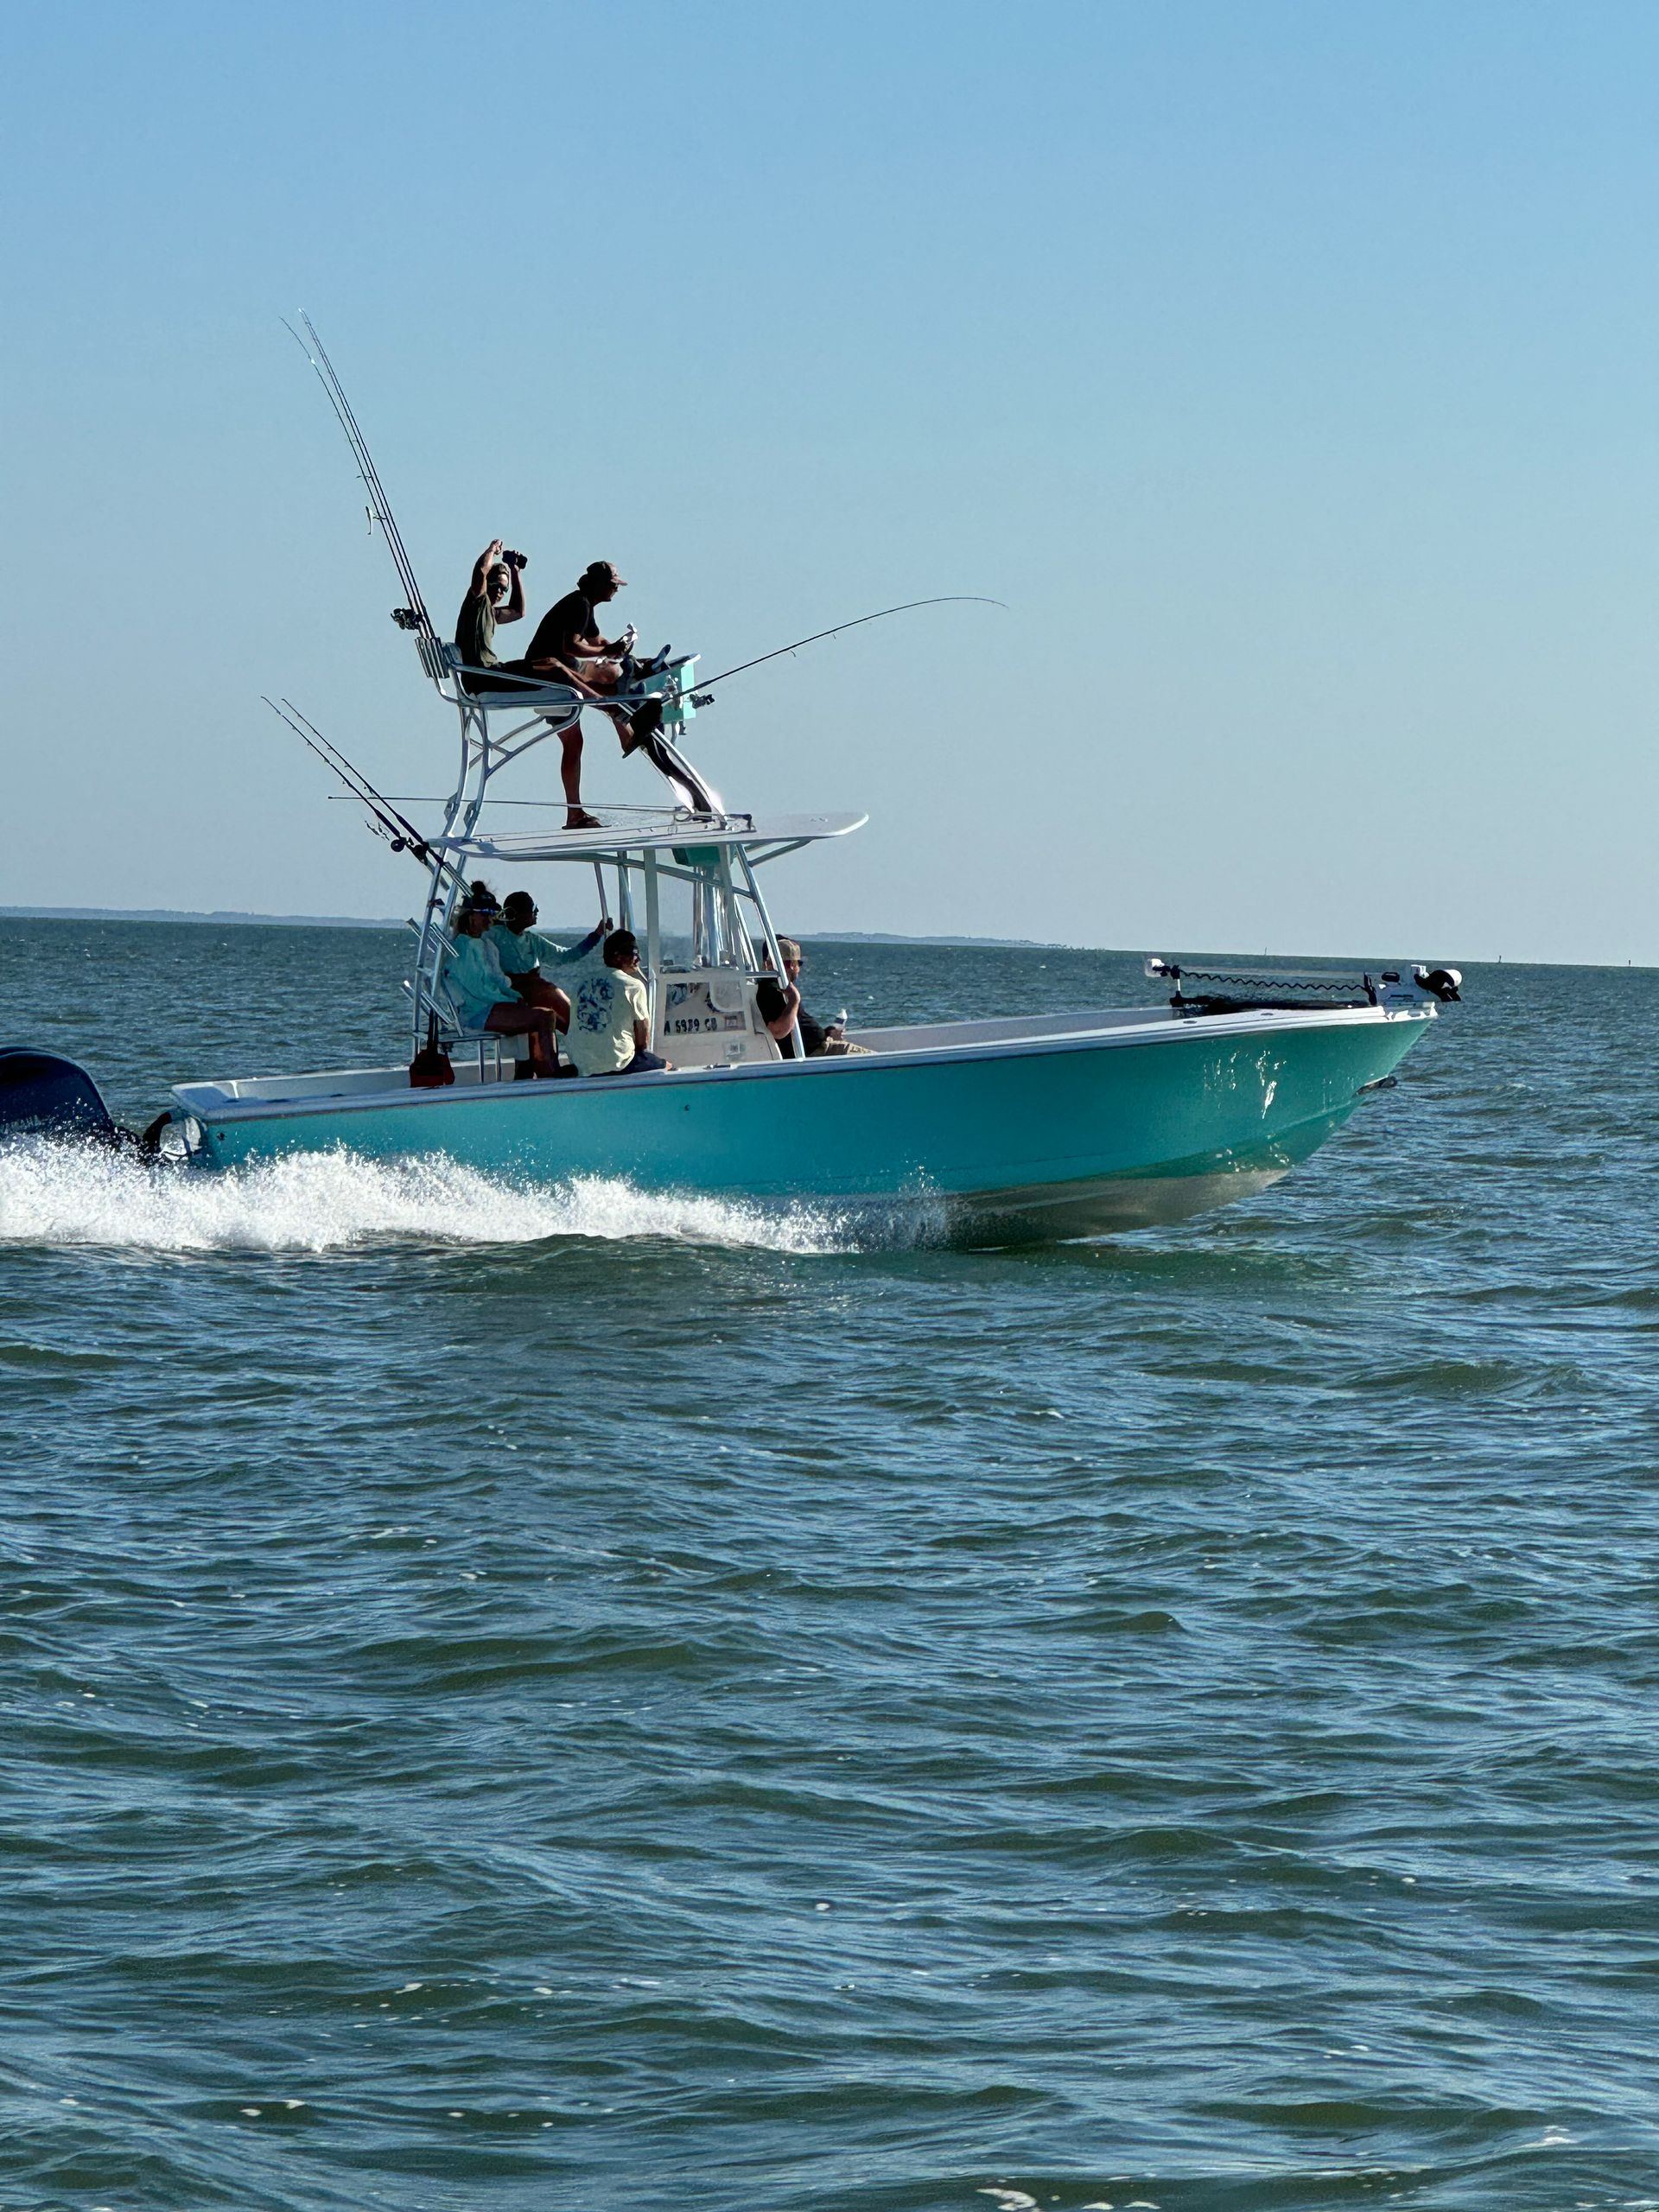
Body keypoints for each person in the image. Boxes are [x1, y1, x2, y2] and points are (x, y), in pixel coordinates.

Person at [523, 563, 665, 830]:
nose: (616, 589)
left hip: (554, 677)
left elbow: (596, 640)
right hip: (551, 679)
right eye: (612, 584)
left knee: (577, 737)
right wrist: (610, 653)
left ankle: (575, 813)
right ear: (598, 585)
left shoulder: (584, 604)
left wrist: (617, 647)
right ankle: (626, 729)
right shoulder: (580, 605)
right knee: (609, 681)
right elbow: (572, 645)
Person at [440, 883, 562, 1076]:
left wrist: (515, 997)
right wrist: (510, 1001)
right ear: (471, 918)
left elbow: (496, 980)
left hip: (488, 1006)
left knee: (536, 1015)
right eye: (485, 914)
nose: (490, 919)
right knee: (544, 1017)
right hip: (477, 1012)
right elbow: (478, 989)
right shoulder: (463, 948)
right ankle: (552, 1073)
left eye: (492, 914)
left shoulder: (483, 944)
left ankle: (528, 1074)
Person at [487, 893, 610, 1051]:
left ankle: (590, 1047)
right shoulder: (493, 936)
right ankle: (593, 1047)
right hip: (514, 995)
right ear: (515, 913)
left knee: (558, 1006)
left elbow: (566, 955)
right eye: (532, 908)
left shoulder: (533, 941)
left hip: (535, 993)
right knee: (553, 997)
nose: (537, 910)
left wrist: (597, 935)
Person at [563, 928, 674, 1077]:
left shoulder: (581, 983)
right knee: (668, 1067)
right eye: (634, 953)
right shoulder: (633, 986)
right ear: (617, 956)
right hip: (617, 1064)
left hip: (582, 1065)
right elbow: (643, 1040)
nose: (639, 959)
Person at [754, 938, 870, 1057]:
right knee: (880, 1060)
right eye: (798, 963)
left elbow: (798, 1024)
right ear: (792, 966)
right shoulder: (771, 991)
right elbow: (779, 1031)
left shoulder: (778, 989)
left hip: (820, 1045)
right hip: (819, 1052)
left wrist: (826, 1033)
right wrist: (795, 999)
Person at [454, 540, 533, 695]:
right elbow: (482, 571)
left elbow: (518, 611)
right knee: (545, 668)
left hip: (488, 674)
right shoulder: (477, 601)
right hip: (484, 676)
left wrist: (515, 571)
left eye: (504, 589)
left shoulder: (490, 612)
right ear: (487, 582)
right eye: (496, 585)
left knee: (540, 665)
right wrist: (492, 550)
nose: (500, 591)